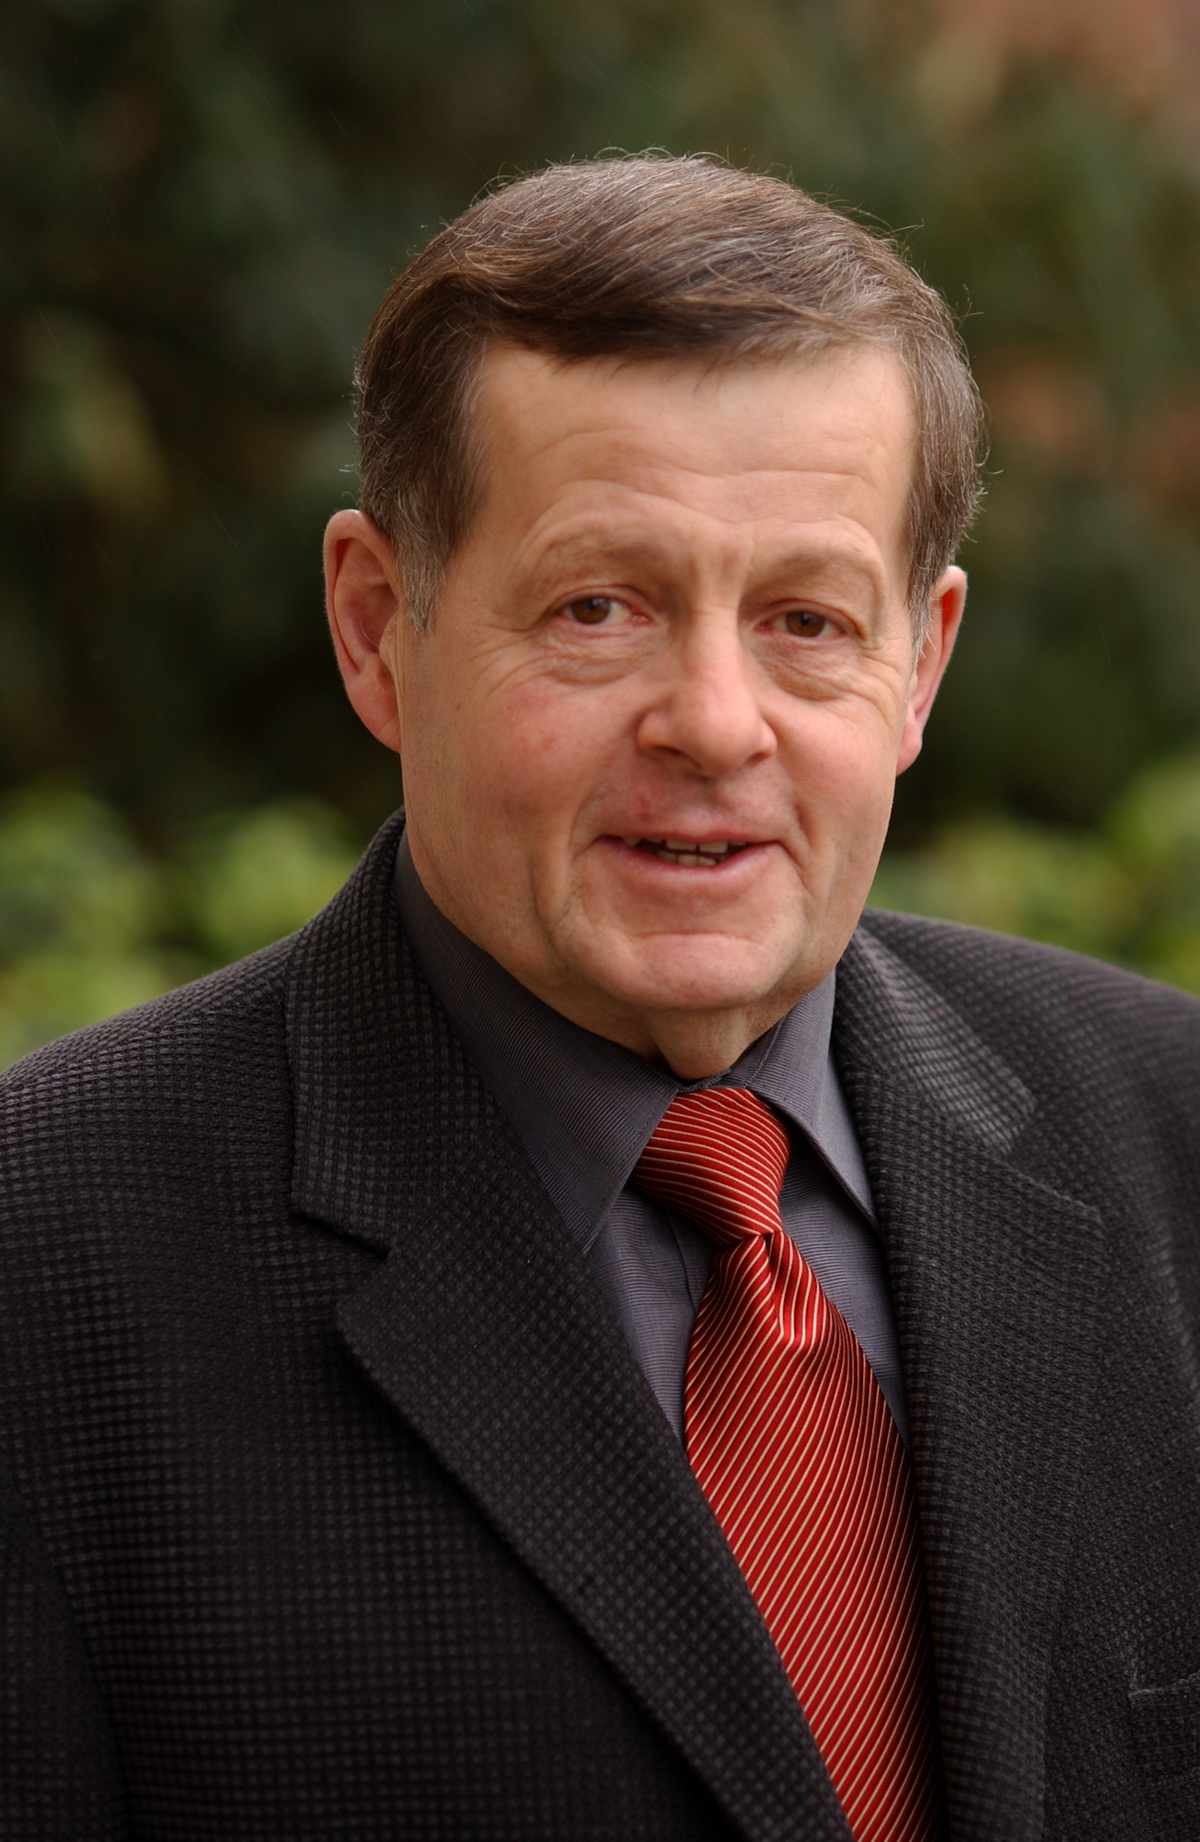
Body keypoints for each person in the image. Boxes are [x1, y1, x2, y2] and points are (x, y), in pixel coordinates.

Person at [2, 155, 1199, 1842]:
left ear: (921, 662)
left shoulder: (1174, 1134)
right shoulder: (43, 1272)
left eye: (805, 619)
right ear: (376, 629)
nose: (713, 721)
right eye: (599, 606)